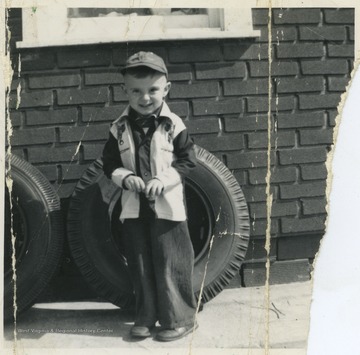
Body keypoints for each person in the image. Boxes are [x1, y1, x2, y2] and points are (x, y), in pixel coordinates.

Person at [102, 51, 198, 342]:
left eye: (153, 90)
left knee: (172, 261)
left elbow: (187, 161)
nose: (145, 98)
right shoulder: (118, 128)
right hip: (134, 208)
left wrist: (163, 180)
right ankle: (145, 316)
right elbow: (109, 164)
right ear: (125, 92)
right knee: (140, 262)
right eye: (137, 91)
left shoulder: (173, 126)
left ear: (166, 89)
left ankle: (179, 318)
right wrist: (125, 177)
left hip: (167, 208)